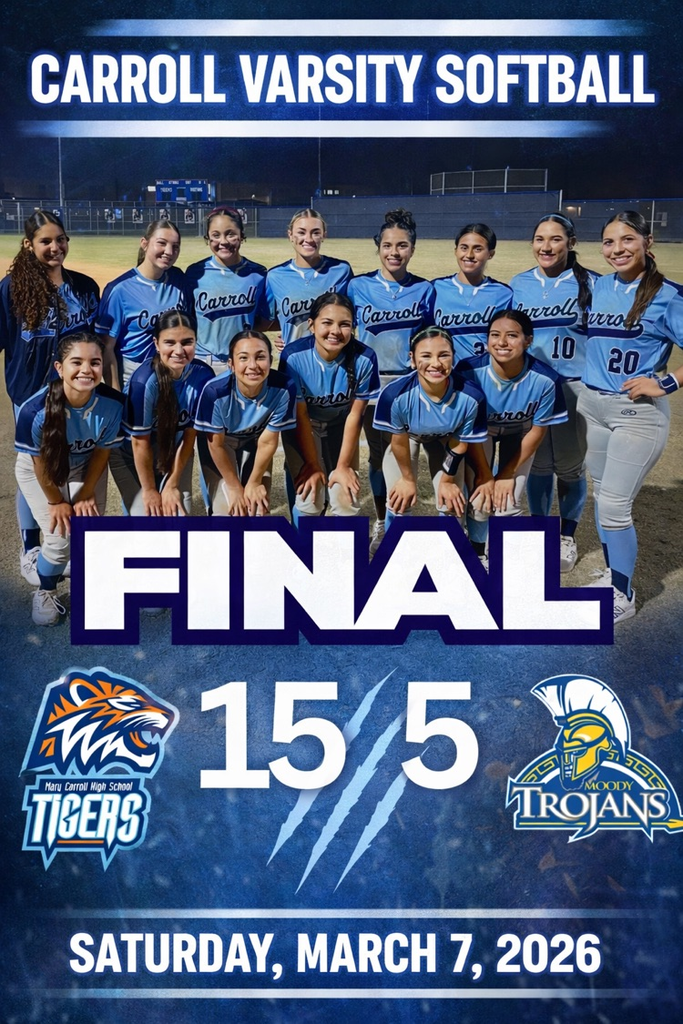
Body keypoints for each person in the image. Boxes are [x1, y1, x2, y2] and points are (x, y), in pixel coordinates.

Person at [578, 210, 683, 624]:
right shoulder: (599, 286)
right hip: (593, 408)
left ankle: (623, 594)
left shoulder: (668, 295)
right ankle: (611, 576)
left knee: (614, 507)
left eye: (626, 240)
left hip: (636, 415)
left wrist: (666, 383)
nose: (617, 249)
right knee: (604, 497)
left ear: (647, 241)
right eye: (608, 242)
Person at [0, 210, 100, 586]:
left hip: (75, 392)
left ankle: (64, 536)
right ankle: (30, 547)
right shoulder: (11, 289)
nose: (55, 247)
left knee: (69, 462)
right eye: (45, 241)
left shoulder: (85, 287)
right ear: (29, 244)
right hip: (30, 394)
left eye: (60, 239)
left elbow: (96, 345)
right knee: (34, 465)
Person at [14, 334, 125, 626]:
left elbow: (101, 454)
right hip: (43, 472)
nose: (86, 370)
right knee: (59, 537)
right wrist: (57, 502)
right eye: (76, 362)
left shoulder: (113, 403)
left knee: (88, 530)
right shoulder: (34, 410)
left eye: (94, 362)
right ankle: (47, 591)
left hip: (85, 467)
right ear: (59, 368)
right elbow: (39, 466)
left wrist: (86, 492)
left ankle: (80, 578)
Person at [511, 214, 598, 572]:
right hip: (532, 387)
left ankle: (566, 535)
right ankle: (540, 530)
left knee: (570, 467)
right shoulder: (518, 284)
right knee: (538, 465)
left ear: (571, 243)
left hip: (573, 386)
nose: (546, 247)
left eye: (556, 239)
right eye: (540, 239)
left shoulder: (593, 283)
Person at [347, 208, 435, 552]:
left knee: (408, 458)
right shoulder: (358, 286)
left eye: (402, 246)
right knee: (377, 457)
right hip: (369, 388)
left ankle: (408, 523)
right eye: (387, 245)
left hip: (410, 389)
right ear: (378, 247)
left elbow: (429, 337)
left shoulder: (424, 290)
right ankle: (383, 520)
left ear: (412, 249)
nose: (394, 252)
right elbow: (335, 322)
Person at [457, 311, 568, 564]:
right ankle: (477, 553)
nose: (502, 342)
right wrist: (485, 475)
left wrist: (506, 474)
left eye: (512, 336)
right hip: (479, 434)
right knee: (480, 498)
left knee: (507, 503)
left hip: (520, 434)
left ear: (528, 340)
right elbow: (468, 429)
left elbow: (538, 430)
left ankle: (507, 561)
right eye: (495, 335)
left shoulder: (545, 379)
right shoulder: (469, 371)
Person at [279, 292, 380, 522]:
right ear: (311, 325)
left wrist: (344, 466)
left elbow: (356, 415)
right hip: (304, 426)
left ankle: (340, 554)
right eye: (327, 323)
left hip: (340, 426)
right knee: (310, 496)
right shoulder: (294, 357)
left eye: (344, 324)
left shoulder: (365, 358)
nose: (335, 331)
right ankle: (303, 549)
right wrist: (313, 465)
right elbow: (301, 415)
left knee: (345, 496)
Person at [374, 326, 488, 526]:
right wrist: (408, 480)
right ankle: (391, 544)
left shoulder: (471, 397)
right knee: (399, 500)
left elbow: (459, 444)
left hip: (446, 440)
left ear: (453, 356)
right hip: (408, 437)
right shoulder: (395, 395)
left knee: (452, 502)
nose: (435, 363)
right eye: (426, 355)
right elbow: (398, 442)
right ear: (412, 358)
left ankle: (450, 553)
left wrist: (447, 481)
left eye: (444, 355)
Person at [109, 310, 215, 516]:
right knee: (147, 519)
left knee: (178, 516)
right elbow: (140, 442)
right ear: (156, 344)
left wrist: (172, 484)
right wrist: (149, 490)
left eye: (187, 342)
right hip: (130, 453)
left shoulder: (203, 375)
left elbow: (190, 435)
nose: (179, 350)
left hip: (175, 450)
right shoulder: (144, 382)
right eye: (170, 342)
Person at [195, 330, 297, 515]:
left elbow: (267, 441)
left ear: (270, 359)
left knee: (257, 509)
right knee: (227, 511)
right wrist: (234, 487)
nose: (253, 365)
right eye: (243, 358)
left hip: (255, 443)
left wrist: (254, 481)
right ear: (231, 364)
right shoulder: (214, 392)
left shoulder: (284, 387)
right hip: (221, 445)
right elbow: (215, 445)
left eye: (260, 357)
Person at [95, 219, 190, 388]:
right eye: (161, 243)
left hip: (173, 373)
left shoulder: (179, 280)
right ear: (144, 244)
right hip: (134, 376)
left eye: (175, 246)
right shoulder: (120, 290)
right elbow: (106, 347)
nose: (169, 251)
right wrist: (116, 395)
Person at [184, 206, 268, 374]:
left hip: (242, 361)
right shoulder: (195, 272)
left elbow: (264, 319)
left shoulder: (258, 274)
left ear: (242, 235)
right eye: (215, 235)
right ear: (207, 237)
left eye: (230, 234)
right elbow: (189, 318)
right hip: (203, 360)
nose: (223, 241)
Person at [264, 208, 353, 349]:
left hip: (333, 357)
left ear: (324, 235)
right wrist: (287, 333)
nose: (309, 239)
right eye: (301, 232)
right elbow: (270, 320)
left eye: (316, 233)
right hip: (293, 361)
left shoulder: (341, 270)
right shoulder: (275, 275)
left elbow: (350, 317)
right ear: (290, 235)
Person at [432, 223, 513, 361]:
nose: (469, 255)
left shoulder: (504, 294)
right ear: (455, 251)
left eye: (478, 249)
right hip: (446, 375)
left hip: (486, 375)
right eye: (464, 248)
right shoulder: (435, 289)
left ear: (490, 254)